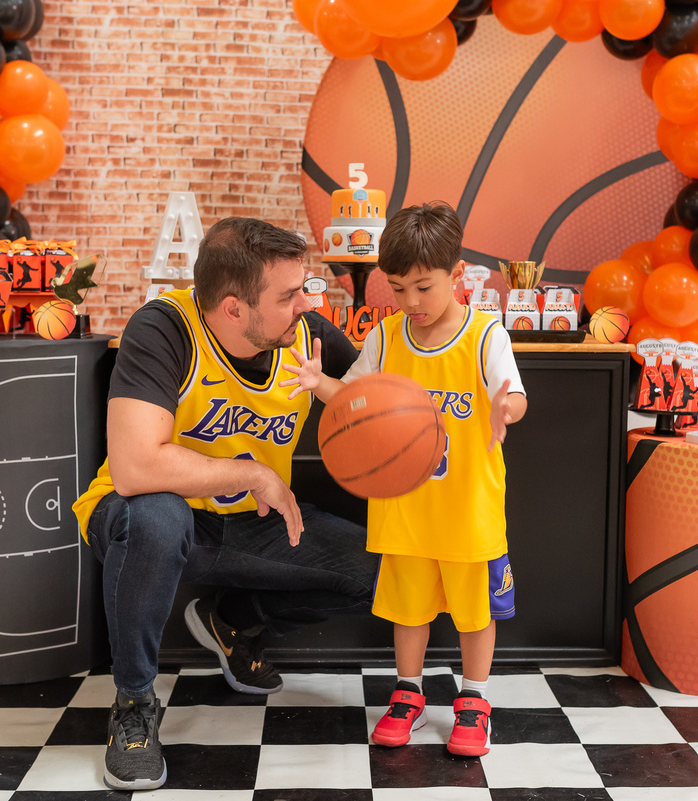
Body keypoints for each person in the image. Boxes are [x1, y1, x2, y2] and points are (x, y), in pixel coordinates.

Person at [71, 217, 377, 791]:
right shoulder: (165, 329)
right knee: (156, 515)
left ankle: (232, 623)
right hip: (153, 522)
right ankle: (134, 706)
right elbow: (136, 466)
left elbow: (380, 393)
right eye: (288, 296)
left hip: (250, 528)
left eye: (303, 289)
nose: (305, 305)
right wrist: (253, 473)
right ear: (234, 308)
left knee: (383, 573)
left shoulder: (308, 336)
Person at [281, 201, 527, 757]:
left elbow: (513, 393)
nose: (410, 302)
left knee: (475, 612)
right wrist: (318, 381)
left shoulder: (485, 336)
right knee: (407, 611)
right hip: (406, 510)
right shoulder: (388, 338)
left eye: (423, 287)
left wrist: (504, 408)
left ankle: (475, 698)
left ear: (456, 276)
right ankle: (408, 692)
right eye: (398, 288)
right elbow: (353, 398)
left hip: (467, 509)